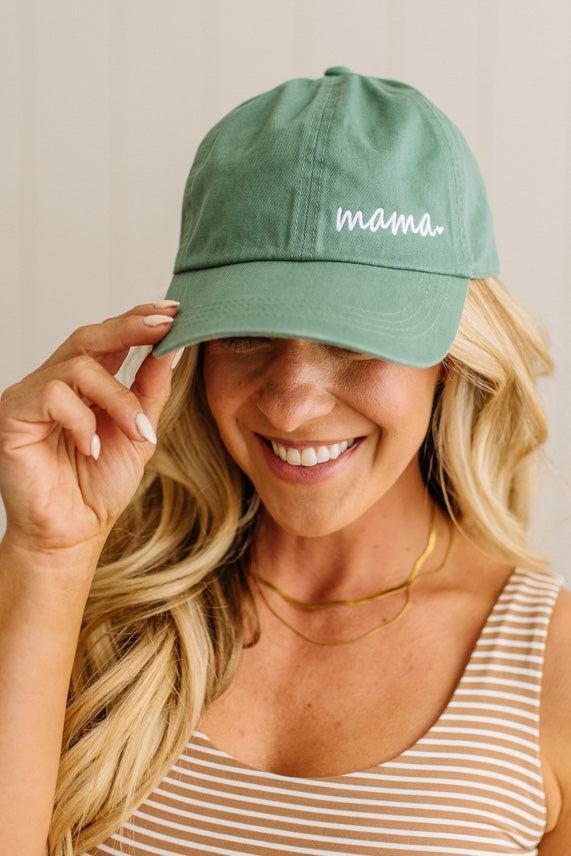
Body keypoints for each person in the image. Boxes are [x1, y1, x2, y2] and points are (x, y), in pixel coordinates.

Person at [0, 67, 569, 856]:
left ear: (453, 355)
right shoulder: (90, 603)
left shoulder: (550, 668)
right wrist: (44, 554)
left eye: (355, 338)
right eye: (245, 333)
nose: (291, 403)